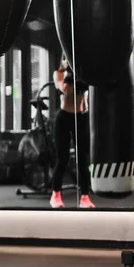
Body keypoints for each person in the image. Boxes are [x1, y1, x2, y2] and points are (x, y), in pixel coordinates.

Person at [50, 57, 96, 209]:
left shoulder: (84, 73)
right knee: (62, 158)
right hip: (63, 118)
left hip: (81, 117)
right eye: (66, 59)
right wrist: (71, 73)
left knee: (83, 159)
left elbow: (89, 88)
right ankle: (55, 195)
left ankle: (84, 197)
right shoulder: (58, 74)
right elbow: (65, 89)